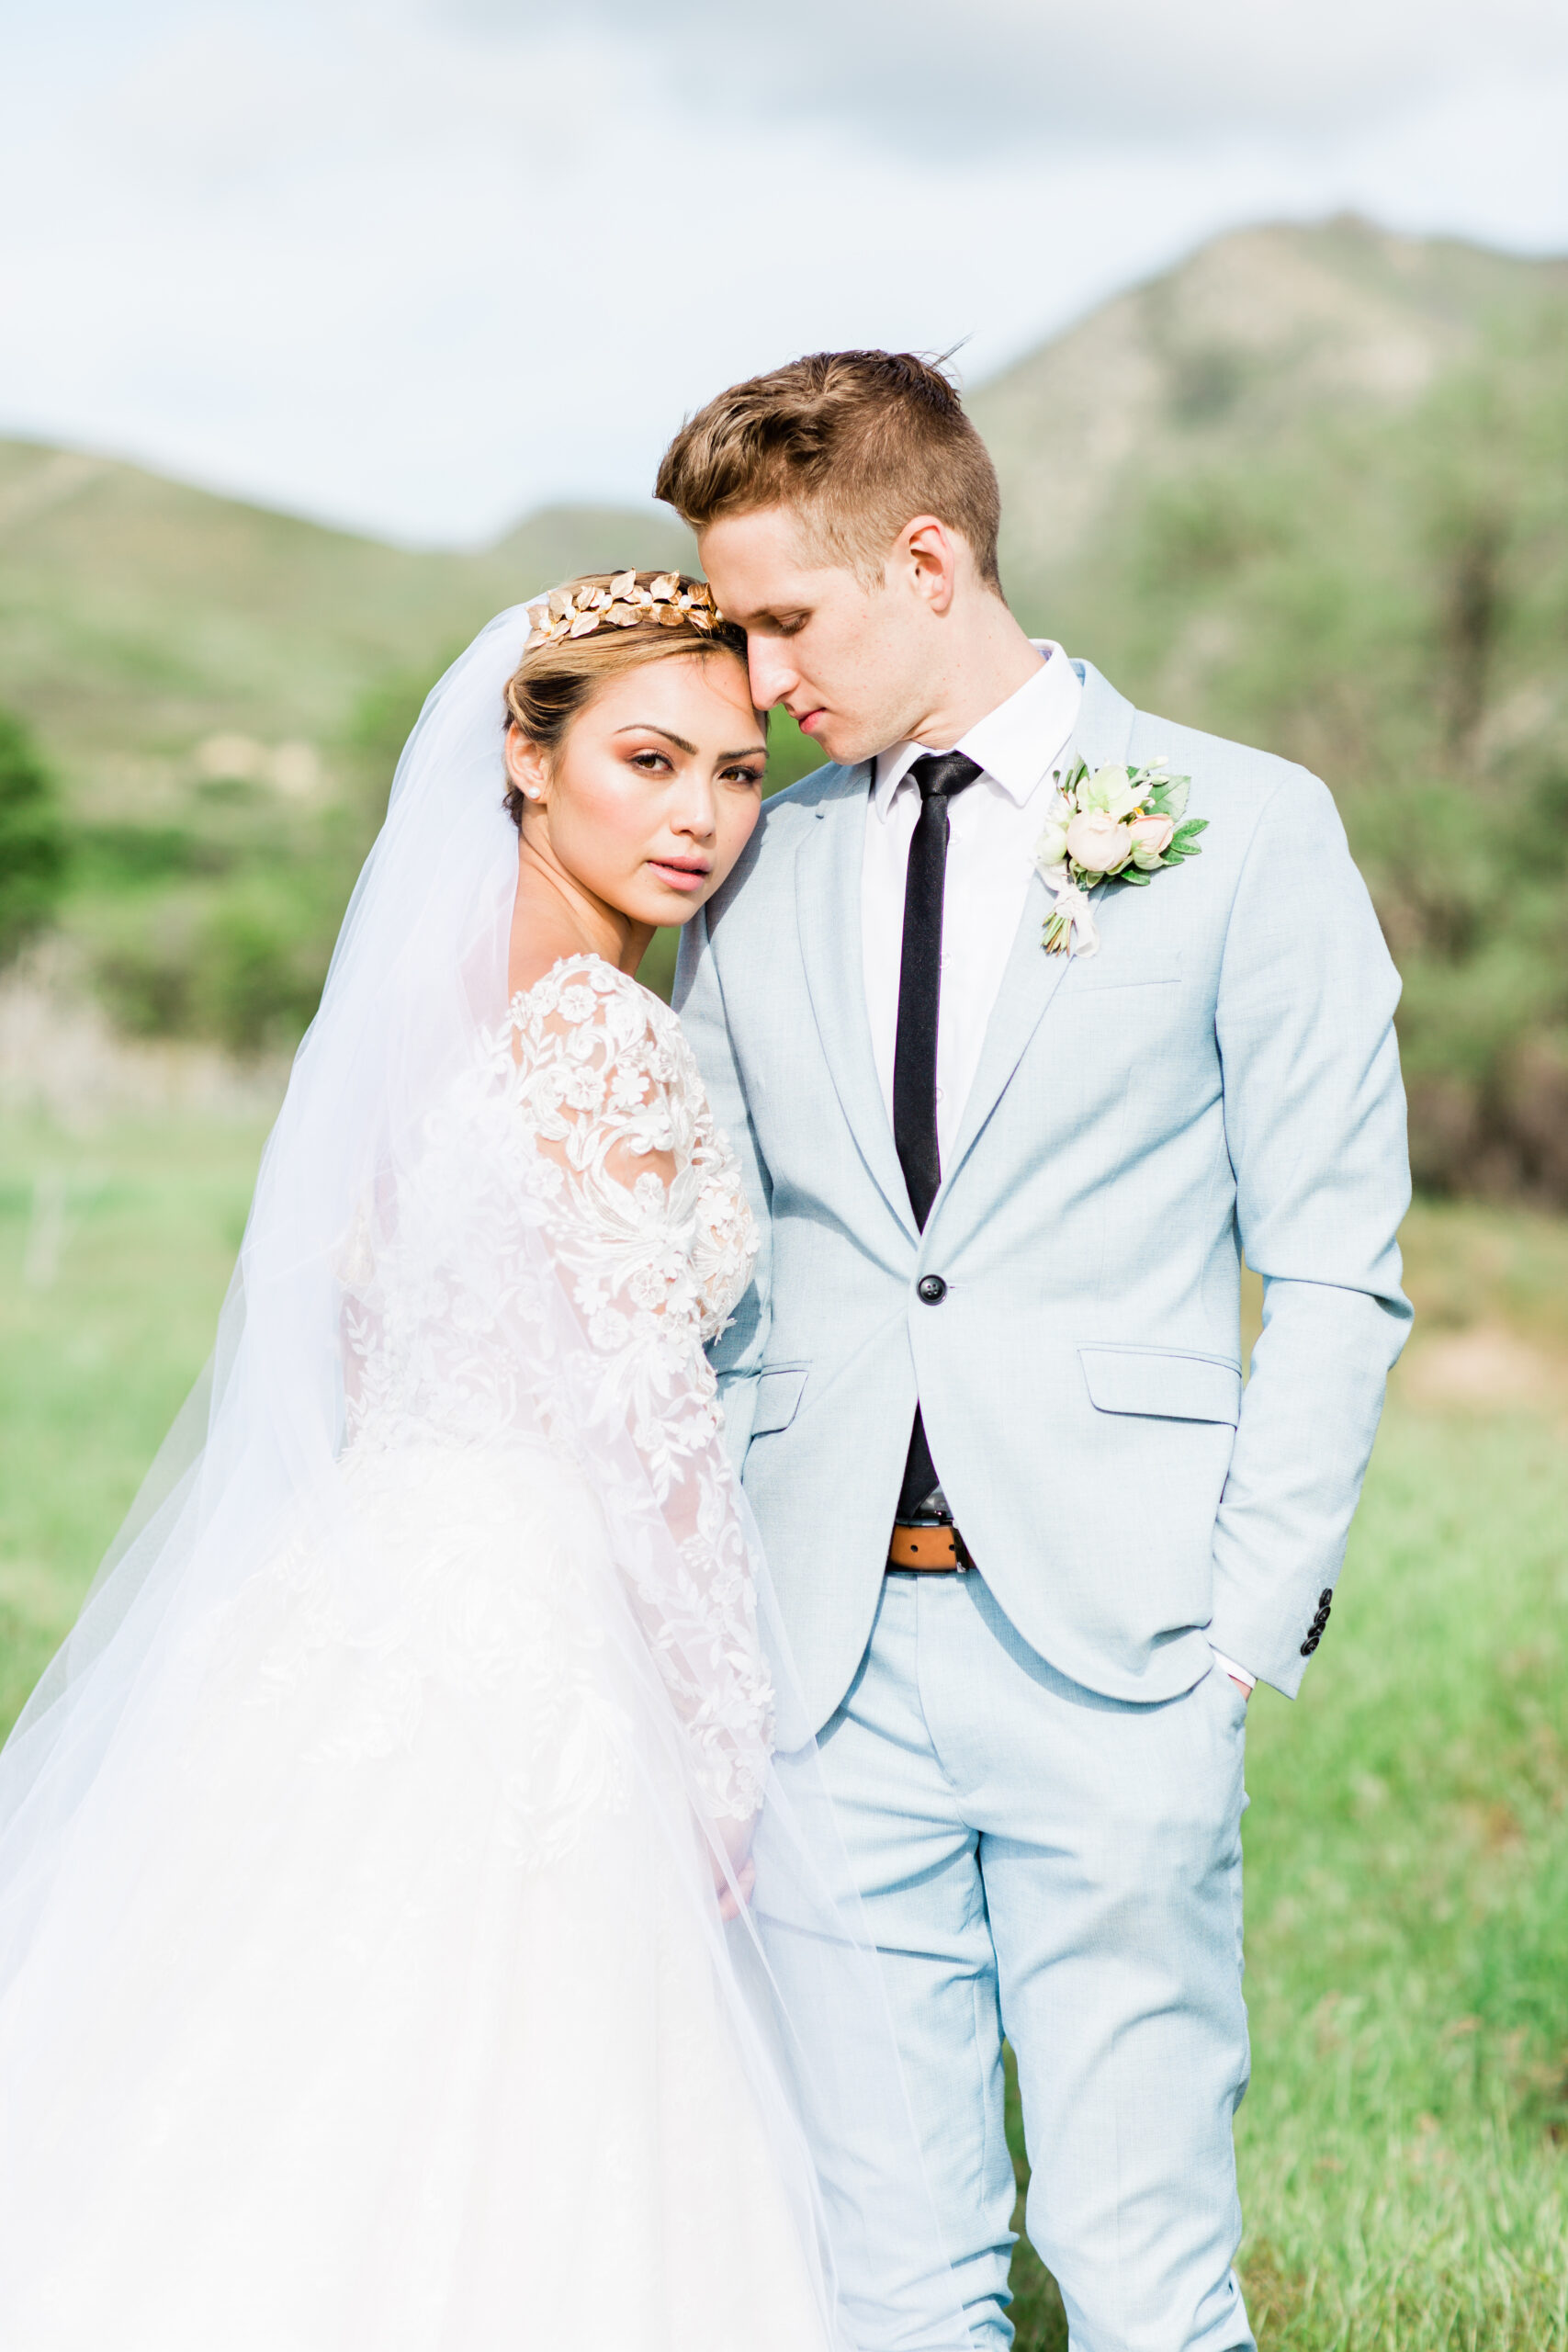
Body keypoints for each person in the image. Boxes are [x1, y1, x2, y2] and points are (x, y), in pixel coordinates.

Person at [0, 575, 971, 2352]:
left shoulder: (427, 1008)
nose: (698, 817)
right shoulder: (601, 1032)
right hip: (537, 1611)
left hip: (363, 1578)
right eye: (649, 759)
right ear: (527, 760)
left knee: (278, 2076)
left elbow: (375, 1339)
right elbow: (647, 1409)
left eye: (741, 774)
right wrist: (720, 1716)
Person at [658, 353, 1414, 2351]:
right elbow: (729, 1280)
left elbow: (1334, 1262)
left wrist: (1237, 1624)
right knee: (892, 2280)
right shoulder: (752, 871)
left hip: (1121, 1638)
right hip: (818, 1654)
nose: (752, 679)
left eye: (780, 621)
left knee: (1142, 2268)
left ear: (925, 557)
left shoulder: (1241, 829)